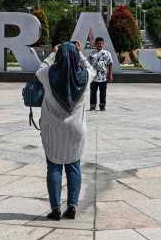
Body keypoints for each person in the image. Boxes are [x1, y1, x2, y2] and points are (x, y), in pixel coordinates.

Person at [35, 41, 96, 220]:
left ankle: (55, 208)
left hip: (52, 128)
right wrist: (81, 53)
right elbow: (91, 68)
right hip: (76, 128)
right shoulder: (85, 76)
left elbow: (39, 70)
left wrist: (53, 54)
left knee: (53, 166)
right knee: (74, 166)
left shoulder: (48, 74)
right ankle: (72, 206)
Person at [87, 36, 113, 111]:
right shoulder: (91, 54)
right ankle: (92, 105)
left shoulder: (107, 53)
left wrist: (110, 75)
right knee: (93, 92)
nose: (99, 45)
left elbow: (110, 64)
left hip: (103, 77)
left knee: (103, 92)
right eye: (97, 44)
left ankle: (102, 105)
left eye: (100, 44)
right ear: (95, 44)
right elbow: (88, 65)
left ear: (103, 44)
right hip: (94, 78)